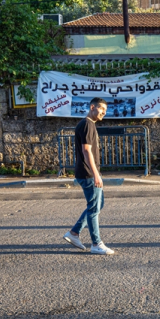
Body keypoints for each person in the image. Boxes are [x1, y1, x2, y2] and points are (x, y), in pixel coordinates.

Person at [63, 97, 114, 255]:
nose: (103, 113)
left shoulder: (87, 124)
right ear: (92, 107)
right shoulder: (87, 124)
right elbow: (86, 151)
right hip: (88, 173)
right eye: (101, 109)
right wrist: (96, 174)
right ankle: (96, 243)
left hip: (88, 172)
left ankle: (74, 233)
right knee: (94, 208)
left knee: (98, 205)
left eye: (105, 111)